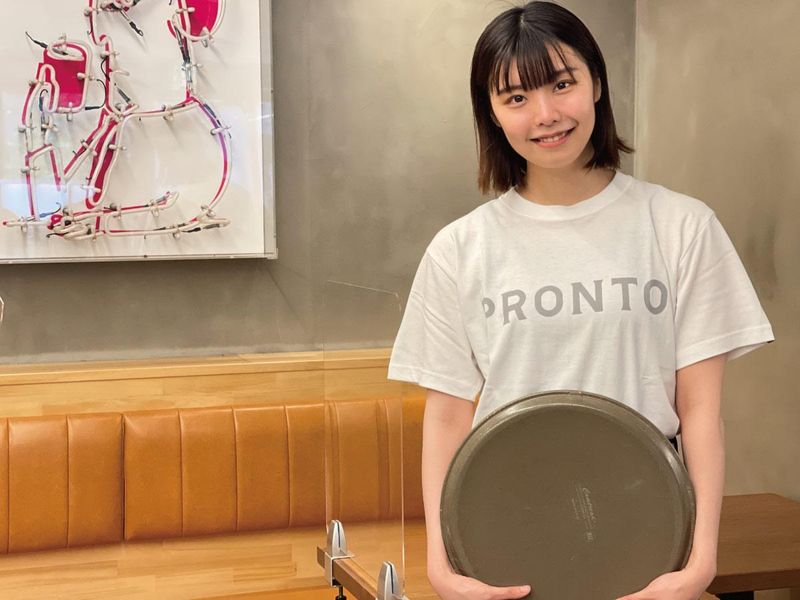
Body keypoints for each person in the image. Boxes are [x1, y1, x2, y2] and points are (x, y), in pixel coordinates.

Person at [387, 2, 775, 599]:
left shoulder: (681, 226)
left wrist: (700, 563)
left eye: (561, 84)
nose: (545, 114)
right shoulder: (459, 250)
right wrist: (443, 567)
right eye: (516, 97)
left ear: (596, 82)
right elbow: (446, 419)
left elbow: (700, 411)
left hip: (646, 531)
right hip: (503, 534)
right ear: (491, 113)